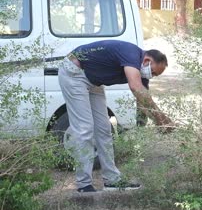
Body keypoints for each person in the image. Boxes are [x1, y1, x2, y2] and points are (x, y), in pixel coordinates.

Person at [58, 40, 175, 193]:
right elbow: (135, 87)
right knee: (84, 128)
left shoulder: (141, 71)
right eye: (153, 72)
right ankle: (84, 185)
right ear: (147, 60)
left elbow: (143, 102)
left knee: (104, 129)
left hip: (94, 81)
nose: (151, 76)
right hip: (74, 73)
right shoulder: (131, 53)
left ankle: (112, 180)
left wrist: (162, 122)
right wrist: (162, 118)